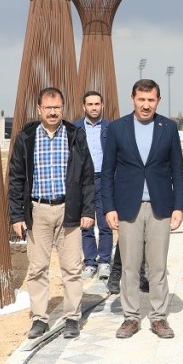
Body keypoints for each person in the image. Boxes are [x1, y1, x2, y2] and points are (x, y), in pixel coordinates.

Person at [7, 88, 96, 342]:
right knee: (37, 268)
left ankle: (72, 317)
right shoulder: (26, 138)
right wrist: (16, 216)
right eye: (48, 107)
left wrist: (87, 210)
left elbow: (87, 177)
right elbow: (16, 179)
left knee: (72, 267)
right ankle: (39, 319)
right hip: (38, 211)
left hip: (69, 211)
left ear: (63, 108)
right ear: (39, 109)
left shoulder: (74, 135)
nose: (53, 112)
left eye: (57, 107)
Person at [102, 79, 183, 339]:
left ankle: (159, 317)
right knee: (129, 265)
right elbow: (107, 172)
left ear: (158, 100)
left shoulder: (168, 128)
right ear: (133, 99)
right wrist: (109, 207)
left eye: (151, 100)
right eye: (141, 99)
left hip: (161, 206)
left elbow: (178, 170)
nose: (146, 105)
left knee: (157, 266)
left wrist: (179, 207)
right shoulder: (117, 128)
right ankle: (130, 317)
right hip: (128, 207)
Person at [78, 91, 114, 280]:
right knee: (86, 224)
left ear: (102, 105)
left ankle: (105, 261)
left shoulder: (110, 127)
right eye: (90, 104)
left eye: (97, 104)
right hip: (83, 181)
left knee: (105, 222)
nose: (93, 107)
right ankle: (90, 262)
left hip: (104, 179)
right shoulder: (75, 128)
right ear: (83, 106)